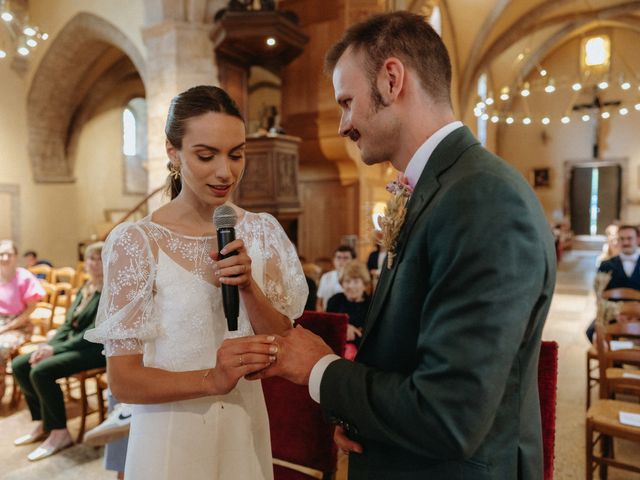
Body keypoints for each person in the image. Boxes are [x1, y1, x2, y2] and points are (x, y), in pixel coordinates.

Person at [254, 12, 556, 479]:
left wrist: (321, 370)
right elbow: (410, 355)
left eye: (347, 102)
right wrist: (363, 421)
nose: (342, 125)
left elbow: (450, 415)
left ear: (392, 79)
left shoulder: (483, 200)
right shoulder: (441, 189)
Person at [84, 85, 307, 480]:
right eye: (206, 155)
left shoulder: (261, 231)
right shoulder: (138, 243)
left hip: (243, 424)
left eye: (236, 154)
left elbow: (282, 338)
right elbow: (124, 380)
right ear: (173, 152)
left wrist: (247, 286)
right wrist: (211, 378)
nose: (226, 172)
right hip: (170, 435)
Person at [12, 241, 106, 461]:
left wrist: (53, 352)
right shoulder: (87, 288)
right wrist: (48, 345)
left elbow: (91, 333)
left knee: (41, 371)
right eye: (91, 259)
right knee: (20, 365)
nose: (94, 264)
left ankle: (59, 433)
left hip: (94, 349)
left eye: (100, 258)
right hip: (73, 344)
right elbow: (67, 325)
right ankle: (44, 422)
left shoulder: (110, 291)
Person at [0, 239, 45, 401]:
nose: (4, 258)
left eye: (9, 254)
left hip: (19, 325)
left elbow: (31, 308)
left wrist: (7, 327)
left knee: (0, 347)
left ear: (16, 256)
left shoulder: (24, 277)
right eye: (1, 254)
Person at [586, 224, 640, 342]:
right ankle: (613, 359)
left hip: (638, 317)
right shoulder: (606, 265)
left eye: (629, 238)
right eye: (622, 239)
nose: (625, 242)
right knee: (592, 331)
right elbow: (600, 297)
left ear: (638, 239)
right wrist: (616, 314)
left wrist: (635, 316)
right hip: (614, 315)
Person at [326, 260, 371, 357]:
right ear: (342, 283)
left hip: (365, 354)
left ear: (364, 285)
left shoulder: (372, 304)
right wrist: (345, 327)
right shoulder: (334, 301)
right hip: (336, 352)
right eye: (347, 281)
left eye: (356, 281)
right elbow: (326, 328)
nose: (351, 286)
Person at [316, 245, 356, 311]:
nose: (341, 261)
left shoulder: (357, 280)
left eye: (345, 258)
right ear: (334, 260)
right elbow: (319, 304)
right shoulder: (325, 277)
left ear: (353, 260)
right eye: (338, 257)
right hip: (327, 315)